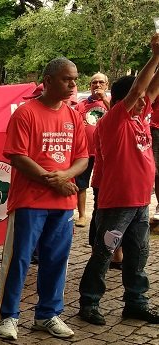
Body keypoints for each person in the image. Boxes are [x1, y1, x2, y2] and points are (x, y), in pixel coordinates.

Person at [0, 57, 88, 341]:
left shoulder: (74, 116)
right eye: (66, 79)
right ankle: (7, 316)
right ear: (47, 81)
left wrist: (65, 176)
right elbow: (18, 157)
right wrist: (55, 180)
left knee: (56, 259)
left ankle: (47, 314)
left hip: (62, 203)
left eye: (74, 79)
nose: (73, 85)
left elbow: (82, 157)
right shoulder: (26, 113)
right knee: (19, 259)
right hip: (29, 201)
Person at [78, 34, 159, 326]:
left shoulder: (141, 117)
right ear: (126, 100)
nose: (144, 103)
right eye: (137, 100)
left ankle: (136, 302)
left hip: (139, 203)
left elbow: (149, 90)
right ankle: (89, 302)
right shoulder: (114, 121)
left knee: (138, 254)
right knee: (104, 252)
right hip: (117, 204)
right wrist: (155, 56)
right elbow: (140, 89)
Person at [74, 73, 111, 227]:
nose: (97, 85)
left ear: (107, 85)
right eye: (94, 82)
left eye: (100, 82)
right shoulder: (81, 105)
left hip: (105, 152)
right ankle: (82, 215)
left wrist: (104, 100)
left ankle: (102, 213)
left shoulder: (112, 102)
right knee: (81, 183)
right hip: (85, 151)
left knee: (103, 184)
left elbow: (119, 115)